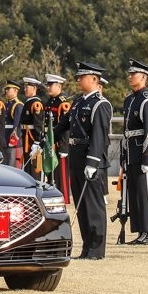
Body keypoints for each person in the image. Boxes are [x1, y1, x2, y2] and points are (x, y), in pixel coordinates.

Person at [54, 62, 112, 259]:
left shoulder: (100, 104)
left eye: (83, 76)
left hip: (90, 158)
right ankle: (87, 247)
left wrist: (93, 162)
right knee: (81, 206)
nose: (79, 79)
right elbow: (63, 125)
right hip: (76, 156)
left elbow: (98, 135)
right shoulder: (78, 102)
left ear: (94, 79)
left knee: (93, 206)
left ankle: (96, 249)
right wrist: (45, 140)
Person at [121, 59, 148, 245]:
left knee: (144, 193)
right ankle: (139, 231)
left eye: (133, 74)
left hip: (142, 153)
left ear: (143, 77)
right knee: (134, 193)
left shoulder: (147, 101)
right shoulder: (130, 100)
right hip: (131, 152)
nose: (129, 76)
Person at [45, 73, 72, 200]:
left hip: (58, 144)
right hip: (50, 142)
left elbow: (66, 127)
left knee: (60, 173)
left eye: (51, 85)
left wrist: (64, 148)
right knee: (50, 171)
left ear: (59, 86)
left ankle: (63, 196)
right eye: (48, 85)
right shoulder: (50, 102)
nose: (48, 88)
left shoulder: (63, 103)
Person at [21, 77, 46, 180]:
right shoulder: (28, 102)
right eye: (25, 86)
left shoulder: (36, 104)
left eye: (27, 87)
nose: (25, 89)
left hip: (32, 139)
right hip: (27, 138)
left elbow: (38, 125)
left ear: (34, 88)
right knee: (28, 167)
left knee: (34, 167)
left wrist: (37, 142)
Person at [3, 80, 24, 167]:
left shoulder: (18, 105)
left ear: (16, 90)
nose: (6, 91)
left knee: (13, 167)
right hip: (5, 140)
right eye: (6, 89)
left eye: (9, 88)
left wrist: (13, 141)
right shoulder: (6, 105)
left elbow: (17, 126)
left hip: (13, 143)